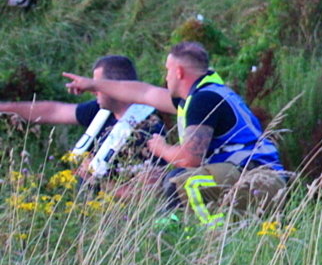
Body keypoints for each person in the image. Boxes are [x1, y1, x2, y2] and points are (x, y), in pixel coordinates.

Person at [64, 42, 286, 228]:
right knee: (175, 181)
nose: (166, 77)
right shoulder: (206, 93)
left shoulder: (203, 100)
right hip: (253, 178)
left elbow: (189, 159)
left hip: (258, 180)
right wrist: (92, 84)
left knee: (180, 180)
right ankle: (209, 229)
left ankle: (202, 236)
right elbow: (143, 92)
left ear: (179, 72)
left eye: (168, 70)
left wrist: (161, 148)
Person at [0, 55, 165, 182]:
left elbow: (151, 188)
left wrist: (94, 182)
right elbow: (54, 111)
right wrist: (4, 109)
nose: (92, 90)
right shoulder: (102, 110)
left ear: (116, 87)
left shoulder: (148, 128)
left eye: (97, 85)